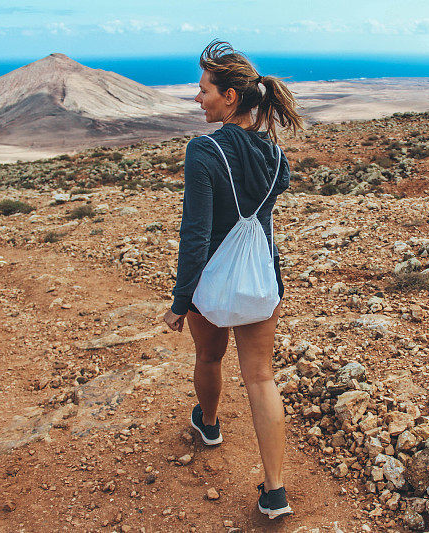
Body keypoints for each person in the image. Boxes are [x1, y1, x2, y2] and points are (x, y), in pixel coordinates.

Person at [162, 39, 303, 520]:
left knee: (208, 354)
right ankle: (276, 490)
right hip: (262, 278)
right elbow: (274, 193)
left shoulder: (202, 151)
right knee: (261, 377)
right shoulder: (274, 154)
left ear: (231, 98)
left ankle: (210, 424)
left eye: (204, 90)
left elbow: (196, 234)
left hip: (212, 282)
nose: (197, 98)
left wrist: (180, 301)